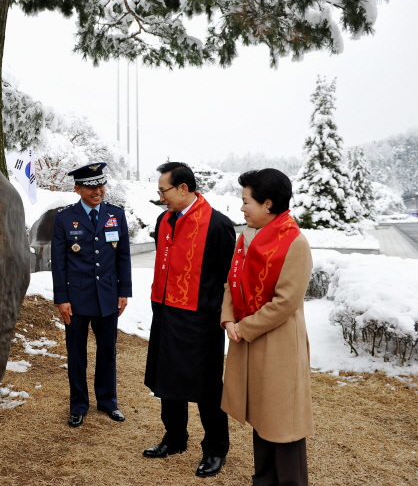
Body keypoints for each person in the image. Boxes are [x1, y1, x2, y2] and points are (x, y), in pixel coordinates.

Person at [221, 168, 314, 486]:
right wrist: (228, 318)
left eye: (246, 201)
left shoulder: (295, 243)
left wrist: (244, 328)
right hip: (249, 338)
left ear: (268, 204)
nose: (242, 207)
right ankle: (263, 480)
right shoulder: (246, 237)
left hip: (277, 345)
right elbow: (232, 282)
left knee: (282, 423)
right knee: (262, 418)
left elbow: (285, 303)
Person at [143, 162, 234, 478]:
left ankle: (216, 448)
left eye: (163, 191)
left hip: (200, 320)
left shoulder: (218, 226)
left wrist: (220, 316)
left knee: (206, 385)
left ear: (184, 188)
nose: (161, 197)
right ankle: (175, 438)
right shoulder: (164, 219)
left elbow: (227, 279)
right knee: (167, 379)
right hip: (166, 312)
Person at [51, 162, 132, 428]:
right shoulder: (64, 218)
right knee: (77, 354)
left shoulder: (115, 215)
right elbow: (59, 261)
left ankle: (108, 402)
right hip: (76, 299)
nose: (98, 190)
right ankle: (78, 405)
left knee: (107, 351)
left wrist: (124, 291)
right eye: (90, 186)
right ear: (78, 189)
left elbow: (123, 255)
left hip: (108, 296)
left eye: (100, 185)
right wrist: (62, 298)